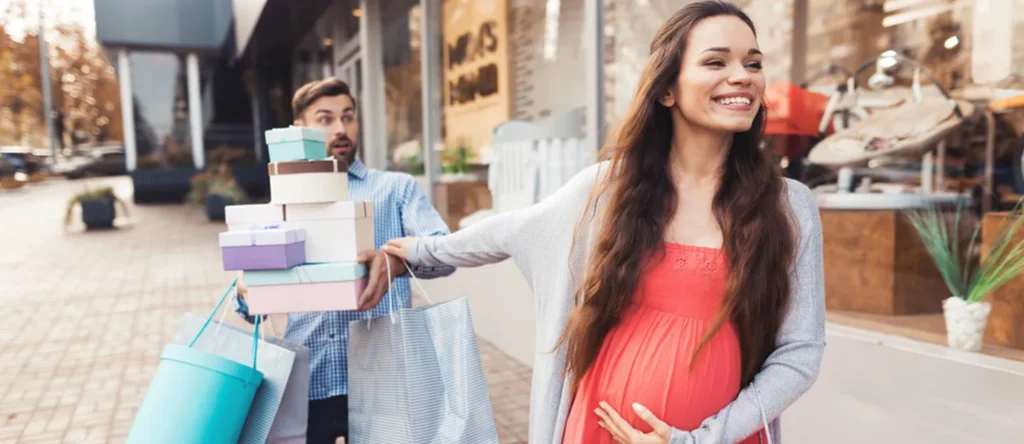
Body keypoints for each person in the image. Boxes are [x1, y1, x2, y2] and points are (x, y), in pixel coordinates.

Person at [378, 2, 825, 443]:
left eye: (753, 63)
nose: (742, 75)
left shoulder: (789, 207)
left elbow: (800, 353)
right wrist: (419, 251)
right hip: (597, 428)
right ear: (667, 89)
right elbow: (510, 229)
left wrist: (703, 439)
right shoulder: (610, 190)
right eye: (716, 61)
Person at [234, 77, 455, 444]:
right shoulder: (281, 203)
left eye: (348, 117)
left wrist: (394, 261)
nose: (340, 129)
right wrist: (246, 289)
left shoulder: (395, 188)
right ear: (299, 130)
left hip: (384, 376)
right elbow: (247, 306)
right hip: (309, 379)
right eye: (325, 119)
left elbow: (445, 252)